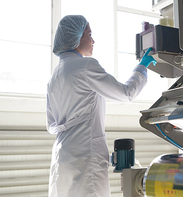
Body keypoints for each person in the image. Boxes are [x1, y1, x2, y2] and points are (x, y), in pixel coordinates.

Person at [46, 15, 156, 197]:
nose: (93, 40)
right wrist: (142, 67)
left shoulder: (54, 76)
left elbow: (51, 123)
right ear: (76, 37)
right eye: (89, 34)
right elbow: (126, 93)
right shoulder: (85, 66)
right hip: (86, 154)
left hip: (62, 155)